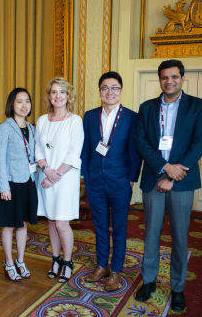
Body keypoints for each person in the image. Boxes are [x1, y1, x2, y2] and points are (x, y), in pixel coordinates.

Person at [134, 59, 202, 312]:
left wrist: (173, 174)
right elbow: (142, 142)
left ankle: (177, 288)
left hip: (183, 181)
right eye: (165, 77)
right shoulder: (146, 108)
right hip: (154, 178)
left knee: (179, 237)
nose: (169, 81)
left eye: (174, 77)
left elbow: (199, 144)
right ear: (160, 80)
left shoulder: (197, 106)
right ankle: (149, 281)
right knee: (151, 234)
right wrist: (164, 168)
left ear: (182, 78)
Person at [81, 71, 142, 291]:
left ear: (121, 91)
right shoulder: (89, 116)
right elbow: (86, 148)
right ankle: (101, 265)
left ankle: (116, 270)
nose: (110, 92)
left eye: (114, 87)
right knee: (99, 226)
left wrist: (131, 179)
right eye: (105, 88)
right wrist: (86, 175)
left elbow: (135, 151)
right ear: (99, 92)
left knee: (119, 227)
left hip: (120, 181)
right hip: (95, 180)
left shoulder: (132, 117)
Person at [35, 77, 84, 283]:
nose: (58, 96)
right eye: (54, 92)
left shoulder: (75, 120)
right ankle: (55, 259)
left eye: (62, 92)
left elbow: (74, 154)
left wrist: (55, 175)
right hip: (45, 176)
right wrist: (46, 170)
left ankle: (67, 261)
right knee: (51, 220)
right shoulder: (42, 120)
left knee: (62, 222)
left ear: (68, 96)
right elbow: (37, 149)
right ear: (49, 96)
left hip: (65, 178)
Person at [0, 88, 38, 282]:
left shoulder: (32, 128)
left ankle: (21, 261)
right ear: (12, 104)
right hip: (11, 184)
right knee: (9, 225)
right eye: (19, 101)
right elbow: (0, 159)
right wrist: (4, 186)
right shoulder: (4, 128)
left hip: (28, 182)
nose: (23, 105)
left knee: (23, 224)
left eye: (27, 101)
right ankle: (9, 262)